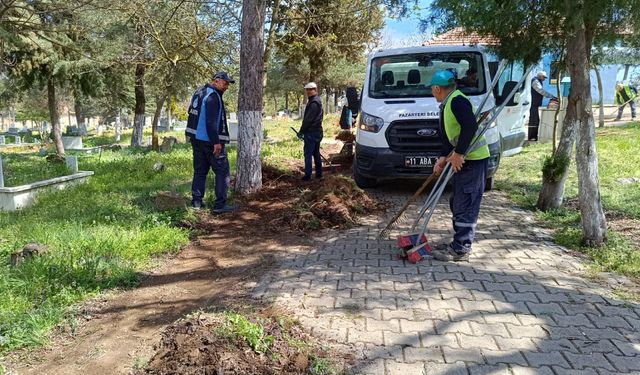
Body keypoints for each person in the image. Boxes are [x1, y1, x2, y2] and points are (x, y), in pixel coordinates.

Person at [430, 70, 490, 262]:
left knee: (465, 203)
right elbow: (451, 135)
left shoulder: (457, 101)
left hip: (472, 160)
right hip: (465, 159)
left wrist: (459, 153)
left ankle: (461, 248)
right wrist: (442, 156)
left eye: (432, 89)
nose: (432, 93)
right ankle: (458, 241)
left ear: (437, 88)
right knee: (457, 201)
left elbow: (470, 126)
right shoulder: (449, 102)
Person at [185, 71, 237, 214]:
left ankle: (196, 203)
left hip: (196, 140)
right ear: (216, 81)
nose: (227, 87)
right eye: (225, 83)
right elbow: (211, 122)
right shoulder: (213, 96)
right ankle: (220, 205)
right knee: (222, 171)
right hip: (210, 141)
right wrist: (216, 142)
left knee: (200, 171)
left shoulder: (199, 92)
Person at [298, 82, 324, 180]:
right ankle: (319, 174)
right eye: (307, 90)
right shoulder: (316, 101)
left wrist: (301, 131)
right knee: (316, 153)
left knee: (308, 153)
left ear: (315, 90)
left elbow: (308, 119)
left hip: (312, 132)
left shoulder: (314, 103)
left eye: (310, 89)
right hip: (317, 131)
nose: (308, 91)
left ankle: (308, 175)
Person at [529, 71, 557, 141]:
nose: (544, 79)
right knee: (534, 121)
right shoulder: (535, 81)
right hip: (533, 104)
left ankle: (534, 136)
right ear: (540, 76)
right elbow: (541, 91)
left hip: (535, 104)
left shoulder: (538, 81)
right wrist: (552, 97)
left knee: (536, 120)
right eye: (544, 77)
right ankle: (532, 137)